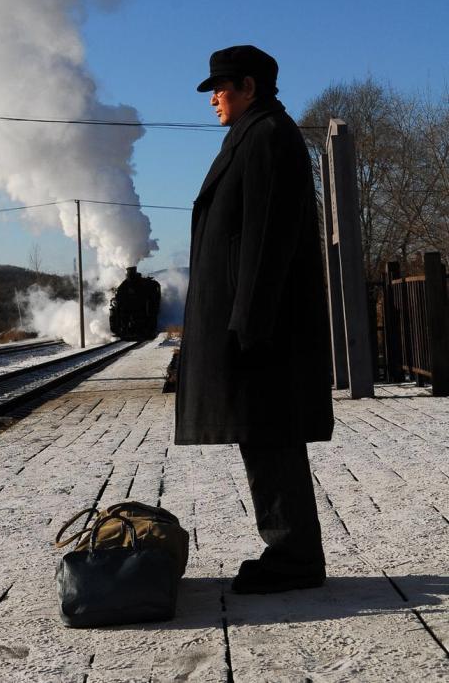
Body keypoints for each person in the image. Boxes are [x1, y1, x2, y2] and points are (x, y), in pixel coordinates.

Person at [175, 45, 334, 594]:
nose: (213, 98)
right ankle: (289, 551)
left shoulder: (267, 136)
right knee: (264, 433)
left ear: (249, 86)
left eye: (220, 87)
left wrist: (249, 323)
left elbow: (268, 239)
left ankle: (293, 558)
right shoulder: (254, 135)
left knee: (271, 433)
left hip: (260, 325)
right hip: (255, 321)